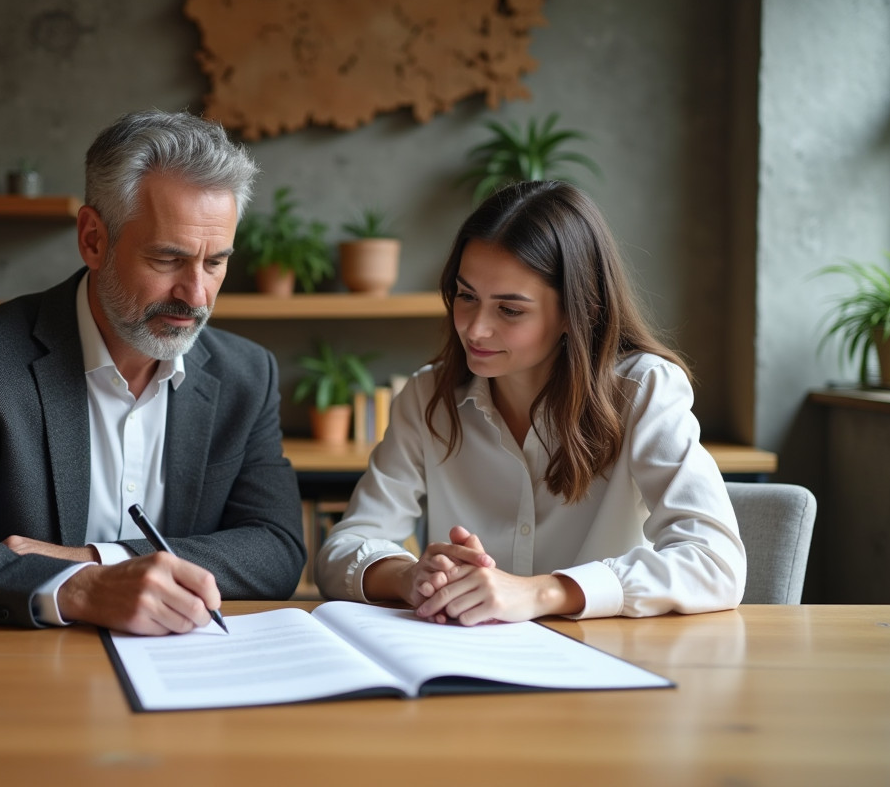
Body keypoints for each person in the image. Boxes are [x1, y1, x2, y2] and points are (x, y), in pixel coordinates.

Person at [0, 110, 305, 634]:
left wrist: (95, 561)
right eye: (168, 260)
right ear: (93, 239)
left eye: (215, 263)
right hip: (21, 680)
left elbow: (277, 548)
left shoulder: (247, 374)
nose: (196, 296)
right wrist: (78, 590)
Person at [316, 180, 745, 623]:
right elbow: (340, 552)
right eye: (466, 297)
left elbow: (715, 563)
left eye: (510, 310)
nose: (475, 329)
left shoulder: (643, 389)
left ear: (578, 312)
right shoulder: (428, 397)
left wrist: (540, 593)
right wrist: (411, 576)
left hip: (608, 668)